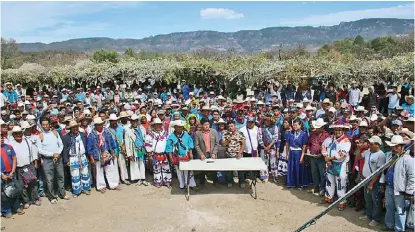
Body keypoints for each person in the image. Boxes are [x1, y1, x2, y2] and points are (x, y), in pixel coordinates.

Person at [384, 135, 414, 232]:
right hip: (389, 186)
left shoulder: (408, 159)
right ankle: (389, 226)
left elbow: (412, 177)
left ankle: (399, 229)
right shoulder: (389, 156)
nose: (395, 149)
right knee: (389, 207)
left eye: (397, 146)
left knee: (400, 211)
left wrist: (409, 192)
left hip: (401, 190)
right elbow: (383, 171)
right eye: (393, 146)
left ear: (402, 147)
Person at [356, 136, 386, 227]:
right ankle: (368, 214)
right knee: (368, 199)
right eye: (369, 143)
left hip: (374, 181)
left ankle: (376, 219)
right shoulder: (367, 151)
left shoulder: (381, 155)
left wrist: (372, 183)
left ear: (378, 145)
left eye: (371, 144)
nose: (369, 145)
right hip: (365, 179)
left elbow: (379, 172)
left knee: (376, 200)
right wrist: (359, 149)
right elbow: (358, 158)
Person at [321, 121, 351, 211]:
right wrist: (326, 157)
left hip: (340, 165)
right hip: (329, 163)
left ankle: (342, 201)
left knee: (340, 183)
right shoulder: (330, 138)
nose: (337, 131)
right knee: (329, 181)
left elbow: (342, 154)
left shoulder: (346, 141)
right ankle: (329, 197)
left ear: (343, 130)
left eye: (339, 130)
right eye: (336, 130)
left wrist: (329, 158)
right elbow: (323, 146)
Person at [38, 117, 68, 204]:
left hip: (58, 158)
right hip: (47, 160)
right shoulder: (40, 135)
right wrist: (52, 154)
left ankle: (62, 193)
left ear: (49, 124)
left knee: (61, 176)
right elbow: (40, 150)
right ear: (41, 125)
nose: (45, 126)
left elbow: (61, 144)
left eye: (46, 124)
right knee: (49, 179)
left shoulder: (55, 133)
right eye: (43, 125)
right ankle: (52, 196)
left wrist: (57, 153)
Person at [9, 124, 40, 209]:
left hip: (29, 165)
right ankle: (26, 201)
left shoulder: (27, 141)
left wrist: (35, 162)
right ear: (13, 135)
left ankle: (35, 199)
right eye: (16, 133)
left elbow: (33, 152)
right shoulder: (11, 144)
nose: (18, 135)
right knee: (22, 186)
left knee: (33, 184)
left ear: (22, 133)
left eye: (19, 133)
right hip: (18, 168)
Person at [87, 117, 120, 193]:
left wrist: (113, 152)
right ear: (95, 126)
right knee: (99, 171)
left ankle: (113, 184)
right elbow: (89, 147)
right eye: (98, 125)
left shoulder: (106, 132)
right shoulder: (92, 135)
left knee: (110, 169)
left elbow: (112, 142)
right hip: (97, 155)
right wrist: (92, 158)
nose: (100, 126)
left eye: (101, 124)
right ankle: (101, 186)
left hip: (107, 153)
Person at [61, 120, 91, 198]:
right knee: (75, 174)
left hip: (82, 156)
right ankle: (76, 191)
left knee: (85, 172)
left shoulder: (83, 135)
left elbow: (86, 146)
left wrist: (87, 156)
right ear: (70, 128)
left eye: (76, 127)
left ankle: (85, 188)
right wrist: (66, 160)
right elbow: (64, 150)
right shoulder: (66, 137)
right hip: (73, 158)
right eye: (73, 127)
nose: (75, 129)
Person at [166, 120, 197, 190]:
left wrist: (191, 153)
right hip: (176, 156)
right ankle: (182, 185)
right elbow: (169, 148)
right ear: (175, 127)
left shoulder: (186, 135)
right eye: (178, 127)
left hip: (186, 155)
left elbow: (190, 144)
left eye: (181, 127)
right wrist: (171, 158)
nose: (179, 128)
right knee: (179, 171)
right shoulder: (171, 136)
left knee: (188, 170)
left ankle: (190, 184)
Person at [1, 136, 25, 218]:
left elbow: (14, 158)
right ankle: (6, 210)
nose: (1, 139)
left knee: (14, 191)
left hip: (11, 174)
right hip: (2, 175)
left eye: (1, 137)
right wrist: (1, 175)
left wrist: (12, 171)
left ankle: (16, 207)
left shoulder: (9, 147)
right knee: (4, 195)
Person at [145, 118, 171, 188]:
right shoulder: (150, 135)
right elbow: (148, 145)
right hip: (155, 154)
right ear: (153, 126)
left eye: (159, 125)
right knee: (156, 169)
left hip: (164, 154)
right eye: (156, 125)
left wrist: (169, 152)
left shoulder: (165, 133)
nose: (158, 126)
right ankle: (158, 182)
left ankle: (167, 181)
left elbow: (169, 143)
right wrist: (149, 155)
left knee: (166, 168)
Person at [194, 118, 219, 187]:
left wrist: (214, 153)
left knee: (214, 169)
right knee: (202, 169)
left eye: (208, 124)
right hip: (203, 154)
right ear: (201, 125)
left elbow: (217, 144)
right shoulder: (198, 133)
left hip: (212, 154)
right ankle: (202, 183)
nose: (207, 126)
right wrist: (201, 154)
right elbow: (196, 145)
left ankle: (215, 181)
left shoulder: (214, 132)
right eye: (205, 124)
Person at [285, 119, 310, 189]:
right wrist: (287, 154)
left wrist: (302, 157)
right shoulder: (290, 133)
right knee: (292, 168)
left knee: (299, 168)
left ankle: (299, 184)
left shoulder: (304, 134)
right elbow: (287, 144)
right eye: (294, 125)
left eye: (296, 125)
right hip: (291, 152)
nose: (295, 126)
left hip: (299, 153)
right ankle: (292, 183)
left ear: (300, 125)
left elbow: (304, 146)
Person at [125, 114, 149, 186]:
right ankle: (138, 179)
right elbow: (127, 143)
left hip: (141, 149)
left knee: (142, 164)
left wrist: (146, 149)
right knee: (135, 165)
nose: (134, 122)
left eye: (136, 121)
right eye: (133, 121)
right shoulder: (128, 131)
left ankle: (143, 178)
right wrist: (129, 154)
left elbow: (145, 139)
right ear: (131, 122)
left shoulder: (142, 129)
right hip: (133, 149)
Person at [307, 118, 329, 196]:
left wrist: (322, 153)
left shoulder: (326, 135)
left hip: (321, 157)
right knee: (314, 172)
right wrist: (309, 150)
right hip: (312, 156)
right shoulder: (313, 134)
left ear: (322, 127)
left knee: (322, 173)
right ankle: (315, 186)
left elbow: (328, 147)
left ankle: (322, 188)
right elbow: (309, 144)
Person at [222, 120, 246, 187]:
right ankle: (230, 181)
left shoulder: (240, 133)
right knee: (229, 170)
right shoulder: (225, 133)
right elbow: (223, 144)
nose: (230, 127)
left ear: (235, 126)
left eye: (232, 126)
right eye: (229, 126)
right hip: (228, 154)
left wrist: (240, 153)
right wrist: (228, 140)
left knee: (240, 169)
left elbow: (243, 144)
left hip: (238, 154)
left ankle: (241, 182)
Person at [107, 113, 129, 185]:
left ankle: (124, 178)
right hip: (113, 150)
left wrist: (124, 147)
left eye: (115, 120)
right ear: (110, 121)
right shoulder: (108, 130)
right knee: (114, 165)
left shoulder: (121, 128)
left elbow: (123, 138)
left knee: (122, 164)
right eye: (112, 121)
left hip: (121, 149)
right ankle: (117, 180)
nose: (114, 122)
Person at [258, 112, 280, 182]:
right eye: (265, 120)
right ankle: (264, 177)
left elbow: (276, 138)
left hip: (272, 147)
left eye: (268, 120)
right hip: (263, 148)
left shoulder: (275, 127)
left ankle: (275, 176)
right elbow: (259, 138)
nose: (267, 122)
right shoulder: (260, 128)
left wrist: (269, 146)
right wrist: (264, 147)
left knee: (273, 162)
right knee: (264, 162)